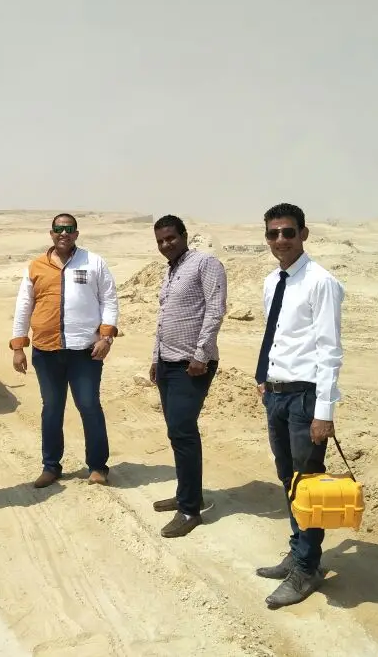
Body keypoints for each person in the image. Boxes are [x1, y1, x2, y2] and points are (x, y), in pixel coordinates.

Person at [254, 202, 344, 608]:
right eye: (273, 233)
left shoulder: (320, 282)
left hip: (306, 398)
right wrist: (265, 378)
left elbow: (330, 351)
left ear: (303, 234)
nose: (280, 240)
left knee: (307, 483)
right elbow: (277, 336)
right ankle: (298, 552)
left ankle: (307, 568)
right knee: (288, 478)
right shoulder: (272, 281)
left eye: (288, 232)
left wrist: (324, 412)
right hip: (276, 394)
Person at [10, 213, 120, 487]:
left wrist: (106, 337)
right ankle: (51, 466)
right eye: (59, 229)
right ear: (51, 233)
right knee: (51, 408)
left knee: (89, 405)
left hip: (85, 351)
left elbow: (109, 300)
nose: (64, 234)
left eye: (69, 229)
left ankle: (98, 466)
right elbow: (24, 306)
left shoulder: (93, 262)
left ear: (76, 234)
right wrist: (18, 346)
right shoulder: (35, 266)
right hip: (46, 351)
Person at [147, 215, 228, 538]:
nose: (166, 245)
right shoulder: (171, 271)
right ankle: (187, 494)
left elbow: (215, 310)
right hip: (167, 362)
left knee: (183, 431)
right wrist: (155, 358)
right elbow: (163, 319)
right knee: (176, 432)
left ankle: (190, 510)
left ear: (184, 235)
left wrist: (201, 355)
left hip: (191, 364)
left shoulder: (205, 264)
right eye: (160, 241)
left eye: (170, 238)